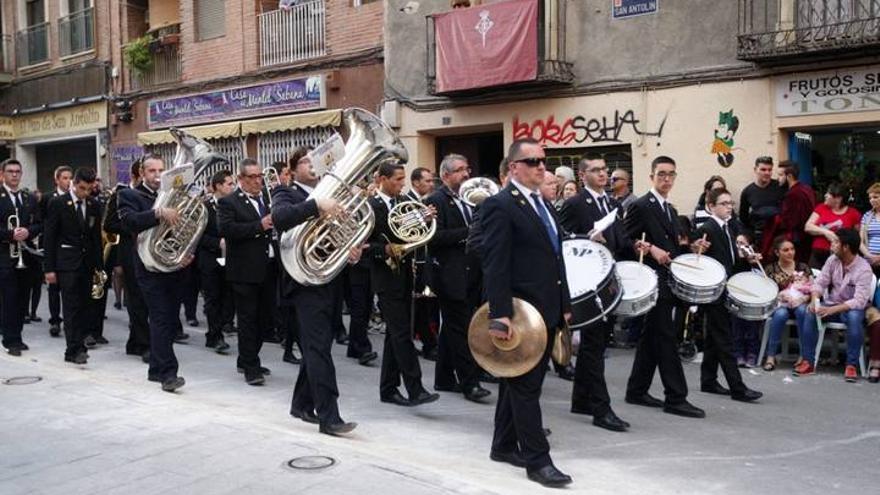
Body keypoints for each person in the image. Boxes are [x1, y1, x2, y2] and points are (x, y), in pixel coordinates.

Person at [482, 138, 572, 487]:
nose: (540, 167)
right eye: (532, 161)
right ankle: (538, 461)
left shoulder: (543, 204)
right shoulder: (500, 205)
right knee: (525, 387)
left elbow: (555, 258)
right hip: (519, 315)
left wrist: (565, 307)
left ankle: (503, 445)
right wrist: (499, 314)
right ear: (514, 167)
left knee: (516, 383)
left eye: (543, 162)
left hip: (547, 310)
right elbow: (495, 264)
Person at [272, 153, 359, 436]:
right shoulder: (286, 192)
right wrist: (316, 205)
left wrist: (350, 247)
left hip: (329, 278)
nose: (313, 165)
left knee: (318, 345)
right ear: (293, 169)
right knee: (318, 348)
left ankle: (301, 404)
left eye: (315, 161)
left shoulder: (334, 194)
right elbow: (280, 218)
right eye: (306, 162)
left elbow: (340, 233)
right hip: (304, 283)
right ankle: (329, 416)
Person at [624, 155, 705, 419]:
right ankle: (676, 397)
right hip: (652, 281)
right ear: (651, 176)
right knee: (665, 337)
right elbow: (625, 240)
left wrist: (690, 247)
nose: (666, 179)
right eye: (661, 174)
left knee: (652, 337)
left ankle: (636, 390)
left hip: (667, 280)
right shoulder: (640, 205)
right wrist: (650, 249)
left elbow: (671, 245)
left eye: (671, 174)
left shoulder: (669, 209)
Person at [559, 152, 632, 431]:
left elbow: (621, 240)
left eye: (605, 170)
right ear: (583, 175)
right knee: (593, 347)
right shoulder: (576, 203)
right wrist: (587, 239)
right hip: (588, 284)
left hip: (608, 279)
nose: (603, 174)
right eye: (596, 170)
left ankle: (581, 400)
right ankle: (602, 410)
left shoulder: (613, 203)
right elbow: (562, 238)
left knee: (596, 344)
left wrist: (633, 245)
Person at [366, 162, 440, 407]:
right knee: (402, 335)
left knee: (394, 336)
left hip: (405, 275)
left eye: (403, 179)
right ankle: (415, 388)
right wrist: (384, 249)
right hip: (385, 279)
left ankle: (388, 389)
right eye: (398, 179)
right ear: (383, 179)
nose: (402, 184)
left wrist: (423, 219)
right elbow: (365, 246)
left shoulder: (400, 204)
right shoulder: (371, 206)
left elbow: (408, 235)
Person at [118, 154, 187, 392]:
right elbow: (129, 222)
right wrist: (157, 213)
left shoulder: (175, 193)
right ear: (142, 173)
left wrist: (186, 251)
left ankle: (156, 369)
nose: (157, 176)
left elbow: (186, 226)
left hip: (173, 264)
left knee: (168, 318)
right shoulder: (129, 195)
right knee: (160, 317)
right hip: (147, 266)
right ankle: (169, 373)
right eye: (152, 171)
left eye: (161, 170)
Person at [424, 154, 490, 402]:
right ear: (445, 176)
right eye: (460, 170)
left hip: (472, 273)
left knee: (451, 330)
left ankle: (443, 378)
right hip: (449, 274)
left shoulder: (474, 200)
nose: (466, 174)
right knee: (461, 329)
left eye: (467, 169)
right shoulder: (436, 201)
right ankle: (469, 383)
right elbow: (434, 237)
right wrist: (469, 232)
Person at [692, 188, 763, 402]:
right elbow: (700, 257)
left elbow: (730, 259)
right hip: (715, 291)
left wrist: (747, 260)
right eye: (723, 203)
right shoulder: (708, 228)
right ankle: (738, 387)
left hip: (726, 288)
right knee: (724, 339)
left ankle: (708, 380)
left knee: (715, 337)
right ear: (711, 206)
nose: (729, 207)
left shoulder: (729, 228)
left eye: (730, 203)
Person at [218, 158, 277, 386]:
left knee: (265, 320)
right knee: (248, 320)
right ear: (241, 179)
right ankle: (251, 366)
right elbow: (227, 229)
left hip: (268, 267)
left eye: (259, 176)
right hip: (243, 271)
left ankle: (246, 358)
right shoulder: (229, 202)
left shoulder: (266, 198)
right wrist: (258, 226)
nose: (257, 181)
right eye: (252, 177)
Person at [797, 228, 872, 381]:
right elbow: (820, 283)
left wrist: (831, 310)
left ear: (846, 247)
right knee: (809, 312)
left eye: (837, 242)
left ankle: (851, 365)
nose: (832, 244)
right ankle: (808, 361)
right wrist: (814, 300)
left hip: (850, 309)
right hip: (832, 304)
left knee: (854, 317)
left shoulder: (864, 269)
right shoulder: (833, 260)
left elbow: (859, 301)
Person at [43, 167, 101, 364]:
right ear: (74, 184)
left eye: (89, 189)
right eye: (82, 188)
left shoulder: (93, 204)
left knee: (85, 306)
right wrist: (49, 268)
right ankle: (73, 349)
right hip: (66, 264)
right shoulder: (58, 203)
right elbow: (49, 237)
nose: (85, 193)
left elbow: (95, 238)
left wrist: (99, 266)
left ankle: (81, 345)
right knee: (71, 308)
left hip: (86, 264)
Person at [103, 160, 151, 363]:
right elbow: (110, 224)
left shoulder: (154, 194)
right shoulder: (121, 194)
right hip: (130, 250)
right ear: (139, 174)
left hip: (151, 251)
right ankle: (144, 344)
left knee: (147, 299)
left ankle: (135, 342)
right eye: (151, 172)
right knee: (137, 299)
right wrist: (135, 225)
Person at [1, 159, 41, 356]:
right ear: (3, 174)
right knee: (9, 299)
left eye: (17, 171)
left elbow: (40, 223)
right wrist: (10, 235)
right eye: (10, 171)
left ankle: (18, 334)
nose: (14, 175)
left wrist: (28, 231)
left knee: (22, 298)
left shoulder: (29, 197)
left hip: (25, 256)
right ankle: (11, 340)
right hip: (4, 257)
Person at [196, 170, 233, 354]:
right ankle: (215, 335)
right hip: (209, 257)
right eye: (228, 184)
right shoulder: (205, 207)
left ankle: (219, 330)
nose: (231, 187)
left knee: (227, 296)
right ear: (218, 186)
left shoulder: (232, 204)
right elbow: (197, 235)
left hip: (229, 258)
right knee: (212, 298)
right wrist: (217, 242)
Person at [762, 237, 812, 371]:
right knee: (780, 314)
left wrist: (802, 299)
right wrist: (780, 295)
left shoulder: (803, 267)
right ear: (777, 253)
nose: (790, 252)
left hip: (799, 302)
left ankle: (804, 355)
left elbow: (813, 289)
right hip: (780, 304)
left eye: (792, 249)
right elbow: (765, 291)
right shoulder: (770, 269)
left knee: (802, 311)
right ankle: (771, 356)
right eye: (786, 250)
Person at [406, 166, 439, 361]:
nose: (431, 184)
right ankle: (427, 343)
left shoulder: (424, 201)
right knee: (418, 305)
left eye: (431, 180)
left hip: (423, 258)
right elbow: (403, 227)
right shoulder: (407, 201)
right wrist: (423, 218)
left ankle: (427, 342)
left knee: (423, 304)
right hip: (413, 260)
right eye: (427, 181)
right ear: (416, 182)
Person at [41, 165, 73, 337]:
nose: (68, 181)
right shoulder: (48, 198)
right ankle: (55, 320)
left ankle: (70, 322)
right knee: (53, 288)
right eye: (64, 178)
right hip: (53, 247)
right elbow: (43, 222)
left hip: (69, 252)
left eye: (70, 178)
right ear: (57, 180)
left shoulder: (74, 198)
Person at [763, 160, 816, 263]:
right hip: (807, 240)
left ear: (789, 176)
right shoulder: (807, 189)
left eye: (780, 175)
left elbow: (789, 222)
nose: (778, 178)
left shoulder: (793, 194)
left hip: (797, 242)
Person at [805, 183, 860, 269]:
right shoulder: (821, 208)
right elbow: (808, 227)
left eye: (828, 194)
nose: (825, 195)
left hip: (839, 255)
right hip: (817, 254)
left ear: (838, 198)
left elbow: (857, 237)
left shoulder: (853, 213)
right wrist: (825, 232)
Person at [739, 156, 785, 246]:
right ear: (755, 169)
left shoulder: (780, 187)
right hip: (760, 237)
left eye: (770, 170)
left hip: (779, 236)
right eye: (763, 170)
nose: (767, 173)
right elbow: (743, 218)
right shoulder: (747, 192)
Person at [859, 182, 880, 276]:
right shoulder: (867, 215)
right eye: (870, 198)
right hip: (869, 263)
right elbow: (860, 241)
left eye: (875, 197)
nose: (872, 200)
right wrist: (870, 256)